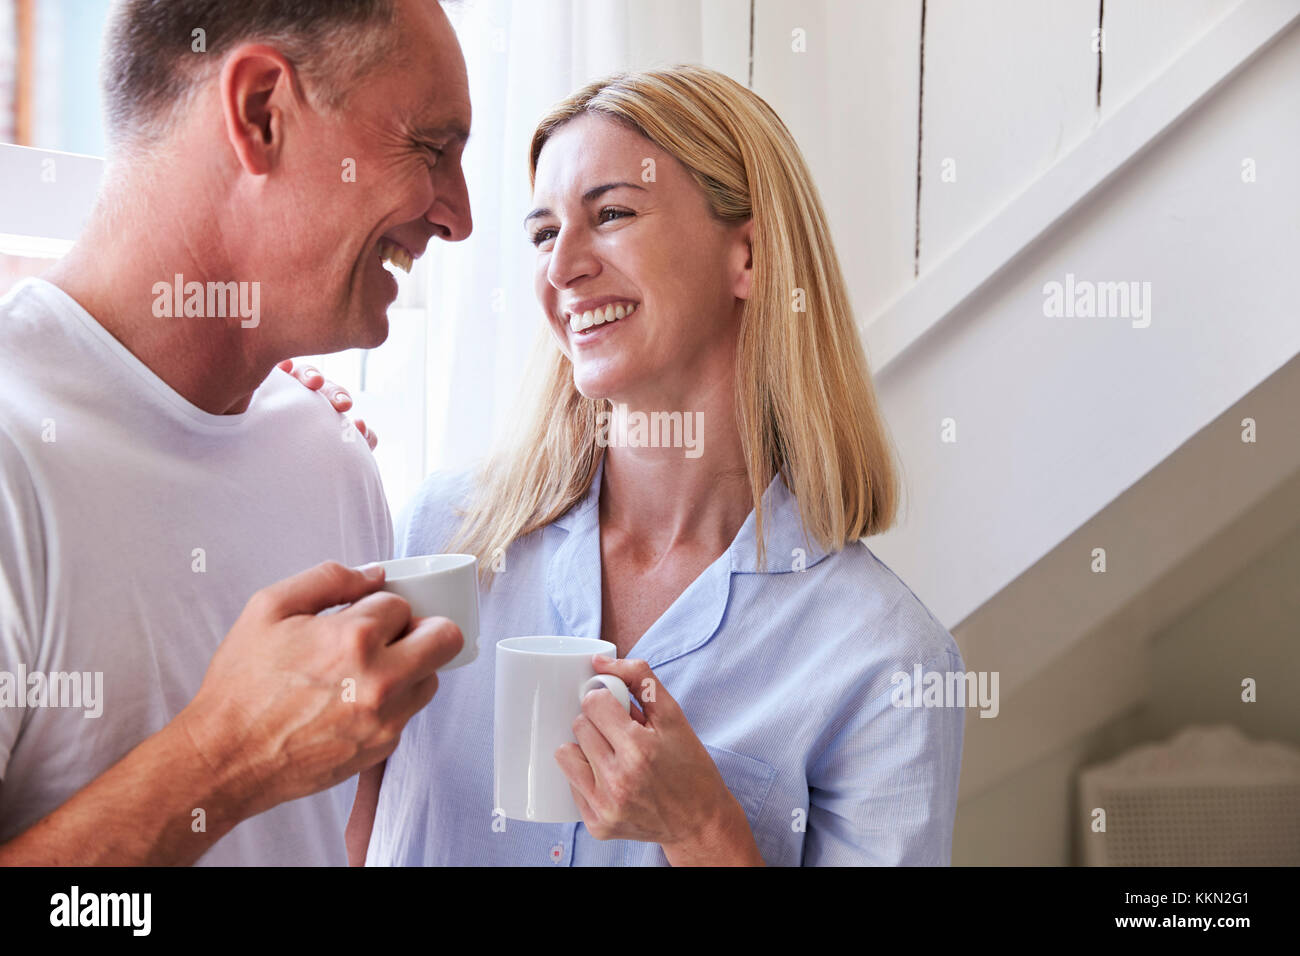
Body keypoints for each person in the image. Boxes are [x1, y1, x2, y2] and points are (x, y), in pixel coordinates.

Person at [344, 65, 965, 866]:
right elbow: (349, 831)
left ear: (749, 255)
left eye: (610, 214)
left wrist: (704, 828)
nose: (562, 266)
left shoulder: (884, 661)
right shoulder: (448, 536)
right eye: (541, 232)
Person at [0, 0, 470, 865]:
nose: (458, 216)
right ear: (261, 112)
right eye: (433, 149)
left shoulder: (332, 458)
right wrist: (222, 762)